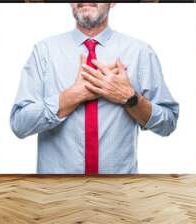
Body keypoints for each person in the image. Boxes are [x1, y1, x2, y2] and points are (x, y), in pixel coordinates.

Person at [10, 3, 179, 174]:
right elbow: (20, 124)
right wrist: (73, 96)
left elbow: (168, 123)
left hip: (118, 193)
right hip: (57, 193)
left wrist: (130, 98)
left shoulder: (140, 52)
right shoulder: (44, 52)